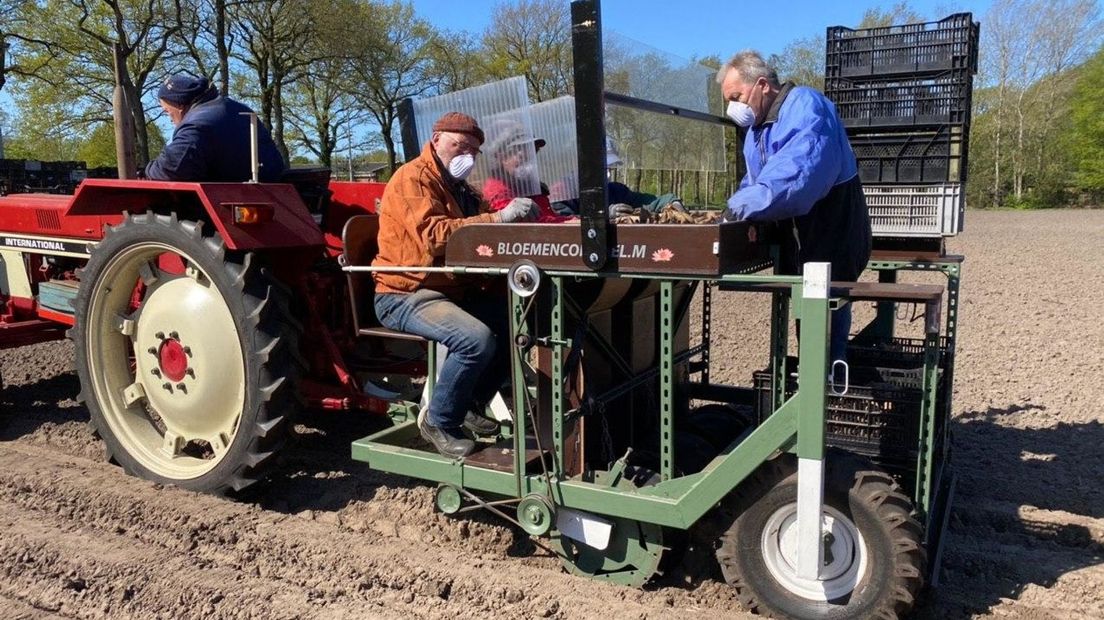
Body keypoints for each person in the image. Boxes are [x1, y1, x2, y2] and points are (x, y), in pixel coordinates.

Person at [372, 111, 540, 457]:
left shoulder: (462, 189)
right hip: (405, 292)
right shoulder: (412, 179)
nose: (465, 155)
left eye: (473, 151)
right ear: (436, 141)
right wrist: (498, 217)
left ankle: (469, 403)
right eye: (458, 145)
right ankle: (439, 420)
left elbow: (481, 232)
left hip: (449, 290)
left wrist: (517, 226)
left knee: (519, 323)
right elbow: (434, 237)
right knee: (475, 340)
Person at [717, 50, 871, 367]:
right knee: (809, 319)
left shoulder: (806, 107)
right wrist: (732, 207)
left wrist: (739, 208)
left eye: (736, 96)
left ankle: (828, 391)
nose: (733, 107)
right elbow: (756, 179)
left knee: (826, 320)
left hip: (830, 235)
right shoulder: (758, 129)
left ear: (761, 84)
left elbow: (796, 176)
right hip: (802, 241)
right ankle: (814, 383)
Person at [144, 74, 285, 182]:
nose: (168, 117)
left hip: (226, 200)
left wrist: (146, 171)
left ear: (179, 105)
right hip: (270, 188)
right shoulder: (237, 109)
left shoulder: (198, 124)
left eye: (166, 110)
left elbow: (172, 168)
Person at [481, 122, 570, 223]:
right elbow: (528, 226)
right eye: (521, 156)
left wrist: (573, 220)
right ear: (501, 156)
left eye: (532, 154)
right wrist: (570, 223)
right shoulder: (497, 190)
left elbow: (548, 215)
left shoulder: (525, 185)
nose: (528, 161)